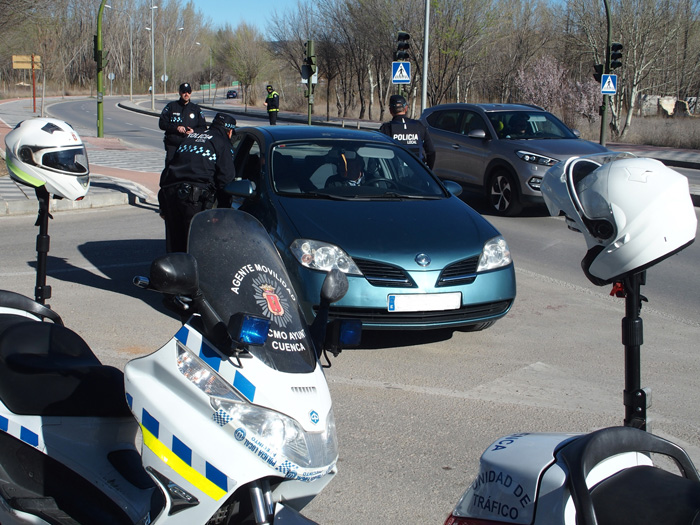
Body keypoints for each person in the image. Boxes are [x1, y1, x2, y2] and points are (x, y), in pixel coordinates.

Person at [159, 112, 237, 253]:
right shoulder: (222, 142)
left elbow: (168, 170)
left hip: (170, 195)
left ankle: (173, 274)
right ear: (230, 132)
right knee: (195, 248)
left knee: (175, 248)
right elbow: (225, 180)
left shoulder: (191, 137)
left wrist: (163, 206)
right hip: (194, 200)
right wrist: (222, 212)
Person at [379, 94, 436, 169]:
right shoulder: (419, 126)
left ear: (390, 111)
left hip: (395, 173)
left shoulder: (386, 128)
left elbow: (379, 152)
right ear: (405, 108)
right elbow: (431, 152)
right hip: (417, 172)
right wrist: (427, 172)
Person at [158, 82, 207, 168]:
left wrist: (193, 131)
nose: (186, 94)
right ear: (180, 92)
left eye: (188, 92)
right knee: (170, 170)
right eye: (184, 92)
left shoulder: (196, 109)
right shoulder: (171, 107)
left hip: (190, 146)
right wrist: (176, 128)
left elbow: (203, 127)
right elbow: (162, 124)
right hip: (173, 145)